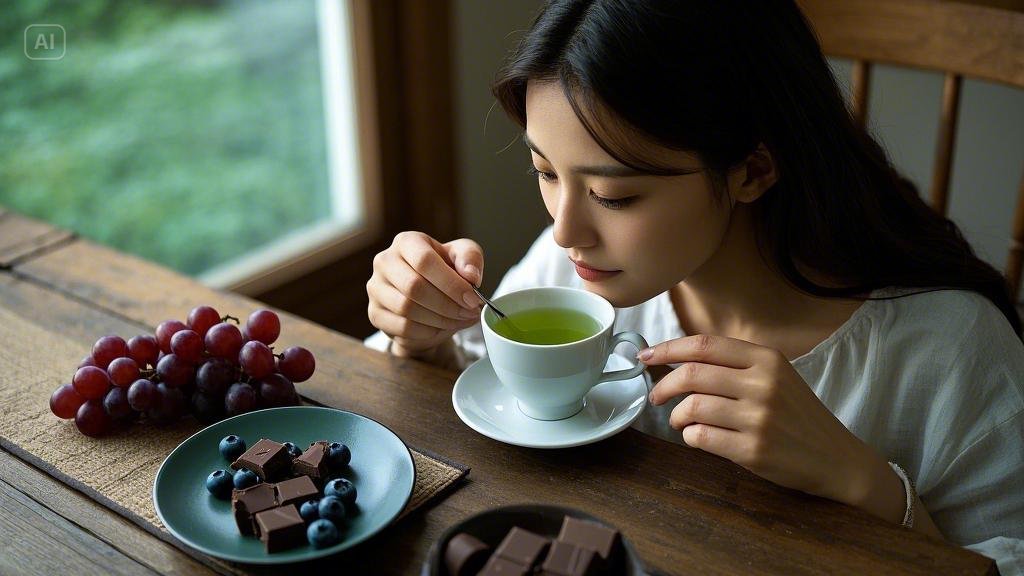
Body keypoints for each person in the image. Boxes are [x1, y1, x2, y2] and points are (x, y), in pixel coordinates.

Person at [364, 0, 1024, 572]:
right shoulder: (578, 275)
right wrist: (416, 330)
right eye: (545, 171)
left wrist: (865, 484)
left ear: (753, 168)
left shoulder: (951, 353)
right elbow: (479, 386)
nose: (566, 230)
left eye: (613, 195)